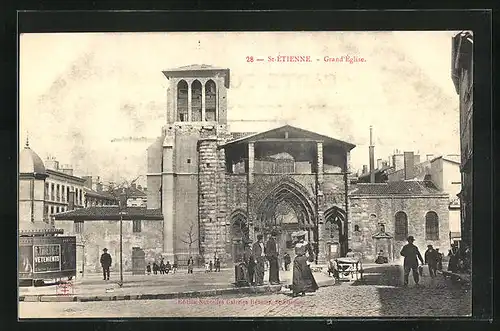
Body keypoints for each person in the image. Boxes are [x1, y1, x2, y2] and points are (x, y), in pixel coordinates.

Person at [291, 230, 319, 297]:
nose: (300, 238)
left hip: (304, 260)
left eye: (301, 237)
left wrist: (309, 260)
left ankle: (303, 291)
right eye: (298, 237)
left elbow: (311, 253)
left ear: (303, 237)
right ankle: (296, 291)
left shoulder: (306, 244)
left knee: (304, 276)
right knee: (296, 275)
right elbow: (291, 245)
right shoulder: (295, 244)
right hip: (297, 260)